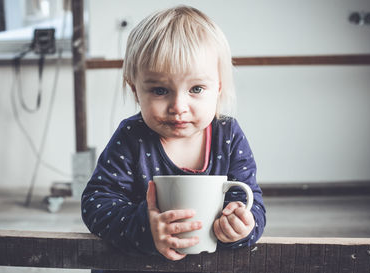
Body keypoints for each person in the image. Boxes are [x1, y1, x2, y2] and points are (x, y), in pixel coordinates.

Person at [81, 5, 266, 262]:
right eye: (159, 90)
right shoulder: (132, 136)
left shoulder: (228, 134)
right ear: (136, 91)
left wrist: (243, 227)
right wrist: (146, 228)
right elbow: (97, 204)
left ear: (218, 89)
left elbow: (250, 200)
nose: (178, 107)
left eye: (197, 89)